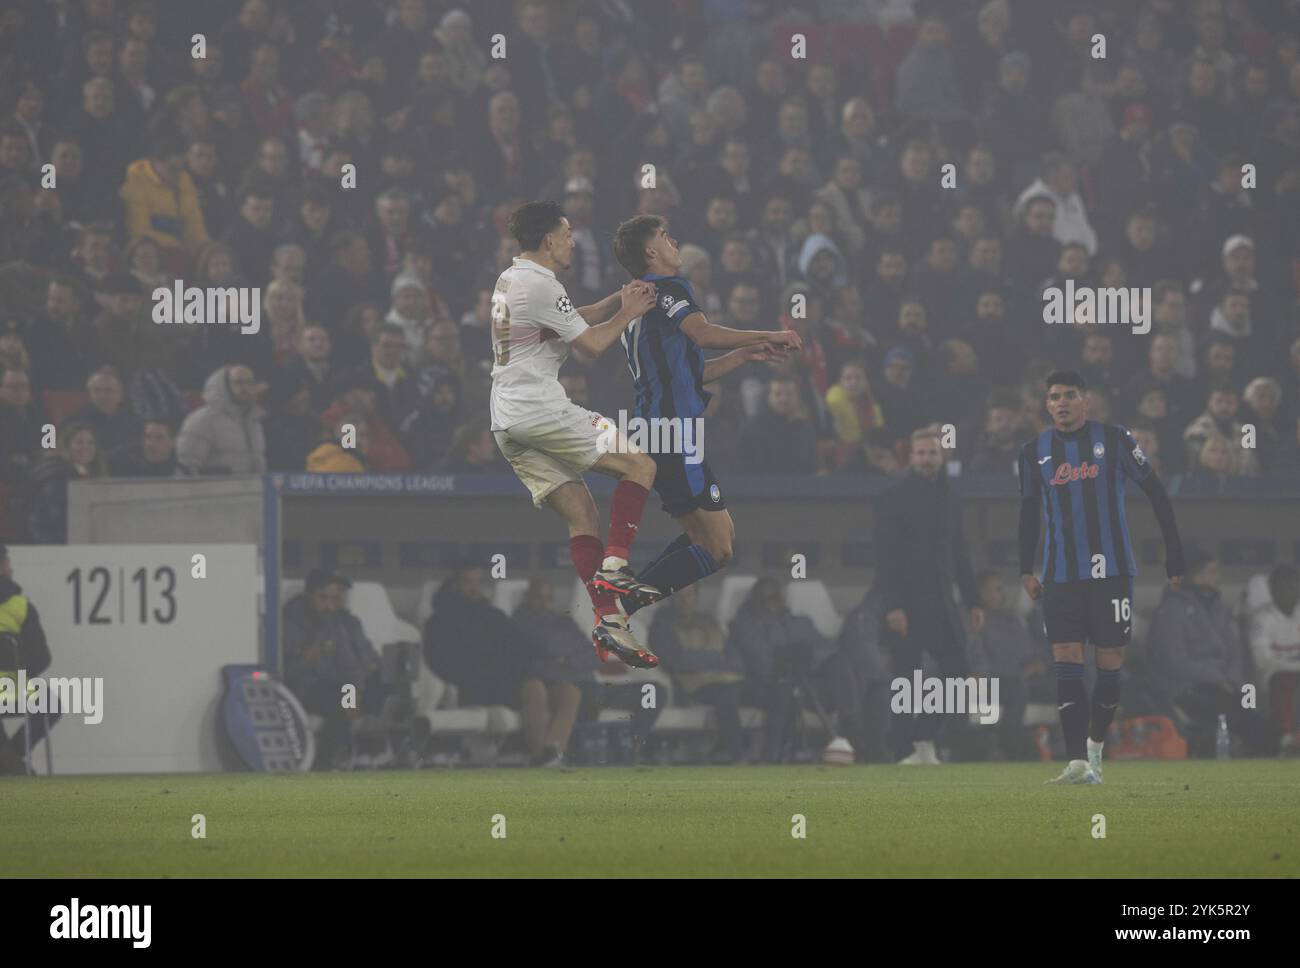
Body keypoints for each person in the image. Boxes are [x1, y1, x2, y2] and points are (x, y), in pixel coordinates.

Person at [488, 201, 662, 667]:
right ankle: (616, 567)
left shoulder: (511, 279)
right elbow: (590, 346)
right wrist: (628, 313)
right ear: (548, 239)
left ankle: (607, 619)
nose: (572, 240)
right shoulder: (542, 284)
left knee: (583, 512)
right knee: (641, 465)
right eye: (566, 233)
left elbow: (562, 323)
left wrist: (611, 301)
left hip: (507, 418)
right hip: (541, 408)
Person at [609, 214, 800, 632]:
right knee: (717, 548)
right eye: (664, 236)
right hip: (674, 431)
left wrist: (742, 357)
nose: (673, 239)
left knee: (716, 539)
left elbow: (687, 372)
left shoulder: (636, 303)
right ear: (650, 252)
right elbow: (703, 333)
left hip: (655, 430)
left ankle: (622, 602)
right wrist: (769, 333)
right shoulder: (668, 289)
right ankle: (620, 607)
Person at [1018, 370, 1185, 784]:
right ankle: (1076, 762)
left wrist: (1175, 555)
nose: (1061, 402)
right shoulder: (1033, 451)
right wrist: (1025, 567)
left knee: (1110, 665)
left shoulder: (1115, 439)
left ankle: (1094, 747)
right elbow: (1026, 513)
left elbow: (1157, 493)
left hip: (1110, 572)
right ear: (1047, 404)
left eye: (1069, 395)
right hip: (1060, 575)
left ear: (1085, 401)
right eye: (1054, 396)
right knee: (1067, 660)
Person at [875, 426, 984, 765]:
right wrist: (892, 606)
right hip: (906, 602)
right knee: (906, 679)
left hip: (942, 601)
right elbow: (885, 557)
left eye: (932, 453)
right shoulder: (893, 497)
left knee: (958, 674)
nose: (926, 459)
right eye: (920, 453)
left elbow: (960, 552)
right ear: (911, 457)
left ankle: (924, 736)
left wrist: (973, 600)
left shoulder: (951, 497)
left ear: (943, 456)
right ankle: (904, 750)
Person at [281, 570, 384, 769]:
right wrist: (305, 659)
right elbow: (282, 672)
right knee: (338, 701)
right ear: (309, 595)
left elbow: (349, 667)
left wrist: (353, 697)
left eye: (335, 598)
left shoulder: (337, 621)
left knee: (384, 688)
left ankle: (378, 756)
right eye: (323, 598)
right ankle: (327, 764)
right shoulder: (289, 621)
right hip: (303, 688)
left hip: (339, 687)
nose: (329, 605)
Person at [649, 583, 747, 763]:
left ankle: (773, 757)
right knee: (726, 694)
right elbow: (677, 660)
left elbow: (734, 655)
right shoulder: (662, 625)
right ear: (671, 599)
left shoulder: (710, 621)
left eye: (689, 595)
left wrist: (712, 659)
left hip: (731, 680)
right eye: (679, 596)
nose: (685, 601)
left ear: (696, 597)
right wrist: (717, 658)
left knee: (778, 691)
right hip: (694, 686)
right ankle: (736, 756)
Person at [511, 577, 598, 767]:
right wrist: (567, 654)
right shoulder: (518, 621)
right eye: (539, 598)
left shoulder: (564, 622)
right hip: (528, 683)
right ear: (527, 598)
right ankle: (540, 754)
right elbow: (546, 647)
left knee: (571, 692)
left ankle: (552, 751)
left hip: (558, 680)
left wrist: (566, 659)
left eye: (549, 599)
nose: (544, 603)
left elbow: (592, 655)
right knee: (536, 689)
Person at [0, 544, 53, 774]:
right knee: (51, 704)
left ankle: (8, 759)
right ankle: (13, 758)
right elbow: (41, 658)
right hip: (14, 691)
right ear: (2, 566)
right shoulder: (20, 607)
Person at [176, 365, 268, 474]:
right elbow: (186, 465)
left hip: (252, 490)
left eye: (249, 382)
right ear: (224, 385)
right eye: (238, 382)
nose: (245, 387)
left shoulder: (253, 421)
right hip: (215, 490)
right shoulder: (203, 419)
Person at [1247, 564, 1300, 751]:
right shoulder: (1262, 619)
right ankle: (1286, 738)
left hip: (1294, 673)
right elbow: (1263, 661)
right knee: (1284, 679)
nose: (1288, 591)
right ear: (1273, 590)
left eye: (1293, 586)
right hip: (1271, 676)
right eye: (1282, 587)